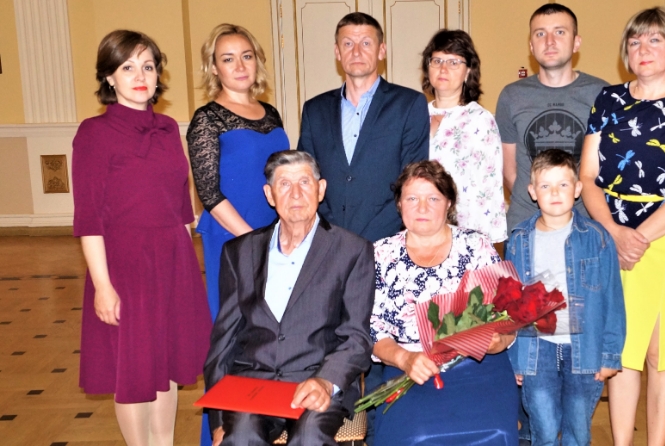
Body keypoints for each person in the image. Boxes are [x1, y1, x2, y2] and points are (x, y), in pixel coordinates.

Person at [580, 7, 665, 446]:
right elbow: (588, 176)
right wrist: (614, 232)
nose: (643, 48)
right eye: (635, 41)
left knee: (662, 353)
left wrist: (637, 237)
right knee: (623, 349)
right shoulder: (608, 100)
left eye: (654, 39)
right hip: (612, 236)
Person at [72, 30, 212, 446]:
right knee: (133, 369)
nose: (140, 76)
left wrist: (186, 268)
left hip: (172, 260)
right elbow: (88, 219)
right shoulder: (93, 133)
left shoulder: (168, 128)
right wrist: (103, 286)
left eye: (148, 67)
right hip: (125, 264)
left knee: (165, 364)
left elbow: (181, 206)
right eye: (128, 67)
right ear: (109, 78)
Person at [204, 150, 375, 445]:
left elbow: (356, 337)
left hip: (316, 379)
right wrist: (218, 420)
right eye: (284, 184)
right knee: (240, 435)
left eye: (304, 182)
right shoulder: (239, 252)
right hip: (253, 384)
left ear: (320, 189)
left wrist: (326, 381)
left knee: (309, 437)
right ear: (269, 195)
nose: (295, 193)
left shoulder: (352, 250)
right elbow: (224, 340)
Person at [369, 160, 518, 445]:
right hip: (411, 371)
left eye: (433, 198)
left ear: (448, 203)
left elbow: (509, 312)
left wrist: (500, 339)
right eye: (412, 199)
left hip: (478, 367)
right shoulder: (380, 254)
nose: (422, 207)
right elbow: (372, 331)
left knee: (496, 432)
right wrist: (406, 359)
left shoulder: (476, 245)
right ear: (399, 204)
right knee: (416, 436)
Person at [506, 149, 625, 446]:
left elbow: (612, 300)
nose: (555, 193)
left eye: (563, 184)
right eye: (545, 186)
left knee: (577, 431)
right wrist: (515, 359)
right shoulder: (519, 240)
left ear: (578, 189)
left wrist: (610, 355)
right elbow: (510, 306)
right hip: (537, 349)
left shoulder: (597, 238)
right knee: (544, 429)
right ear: (533, 192)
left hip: (584, 349)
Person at [297, 12, 429, 243]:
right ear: (337, 52)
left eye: (366, 43)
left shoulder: (409, 104)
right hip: (328, 240)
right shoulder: (314, 109)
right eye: (348, 43)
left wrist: (366, 240)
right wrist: (333, 234)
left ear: (381, 50)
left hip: (388, 240)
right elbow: (306, 177)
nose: (356, 51)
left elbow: (412, 181)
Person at [188, 23, 290, 321]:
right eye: (228, 59)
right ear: (214, 68)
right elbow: (208, 193)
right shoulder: (207, 119)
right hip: (231, 233)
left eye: (247, 56)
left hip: (274, 228)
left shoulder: (271, 113)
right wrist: (252, 239)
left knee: (274, 316)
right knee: (235, 317)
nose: (240, 66)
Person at [496, 3, 608, 234]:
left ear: (576, 42)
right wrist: (542, 203)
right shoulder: (511, 96)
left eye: (559, 32)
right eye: (540, 34)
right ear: (531, 45)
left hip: (585, 226)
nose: (549, 41)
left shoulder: (602, 94)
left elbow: (606, 168)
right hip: (524, 225)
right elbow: (509, 171)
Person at [422, 29, 507, 243]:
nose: (443, 69)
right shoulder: (413, 114)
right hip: (420, 226)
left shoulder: (480, 120)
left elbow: (487, 189)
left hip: (462, 232)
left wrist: (477, 243)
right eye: (437, 61)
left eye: (453, 62)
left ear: (468, 71)